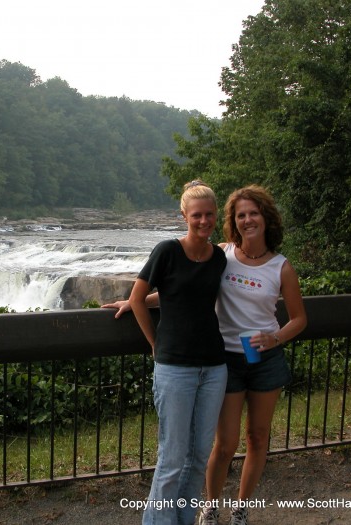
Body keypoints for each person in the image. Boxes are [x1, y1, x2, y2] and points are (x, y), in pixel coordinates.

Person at [103, 184, 307, 525]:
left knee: (232, 444)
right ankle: (197, 510)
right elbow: (176, 288)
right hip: (215, 359)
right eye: (240, 215)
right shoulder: (214, 254)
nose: (247, 220)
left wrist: (275, 339)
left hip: (242, 362)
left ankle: (235, 510)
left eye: (253, 213)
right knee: (202, 449)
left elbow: (298, 318)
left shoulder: (257, 263)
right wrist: (137, 305)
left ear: (265, 217)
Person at [126, 180, 228, 525]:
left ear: (216, 216)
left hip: (214, 366)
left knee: (199, 455)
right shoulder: (166, 251)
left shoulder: (218, 257)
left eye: (209, 214)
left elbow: (187, 292)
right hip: (174, 368)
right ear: (183, 215)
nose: (203, 221)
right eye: (196, 215)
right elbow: (139, 297)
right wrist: (155, 343)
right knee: (172, 458)